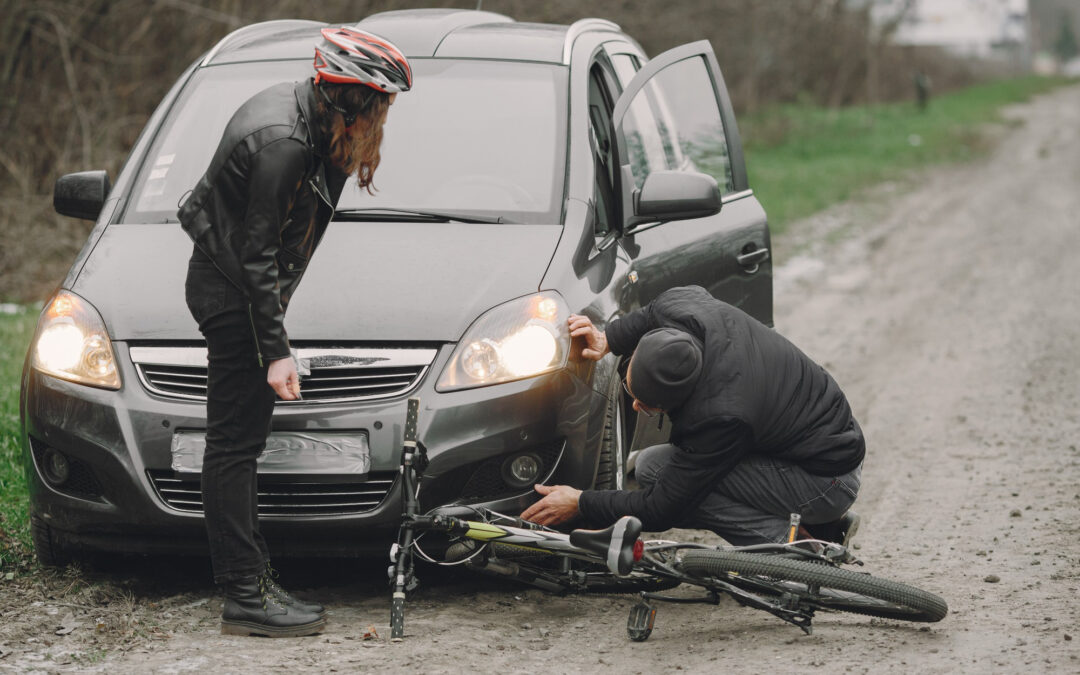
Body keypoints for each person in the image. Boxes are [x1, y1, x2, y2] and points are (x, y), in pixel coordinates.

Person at [178, 27, 412, 637]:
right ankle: (244, 597)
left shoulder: (309, 119)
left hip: (240, 286)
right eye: (380, 104)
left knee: (241, 445)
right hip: (233, 293)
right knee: (233, 446)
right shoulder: (282, 141)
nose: (384, 117)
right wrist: (275, 352)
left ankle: (252, 577)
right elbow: (256, 255)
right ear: (350, 98)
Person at [521, 285, 864, 548]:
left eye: (648, 405)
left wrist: (581, 502)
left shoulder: (721, 417)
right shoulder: (684, 308)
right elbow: (651, 314)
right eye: (631, 393)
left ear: (682, 398)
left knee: (671, 479)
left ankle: (794, 549)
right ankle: (823, 529)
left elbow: (663, 508)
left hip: (827, 480)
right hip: (809, 444)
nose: (636, 407)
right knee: (652, 465)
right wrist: (607, 337)